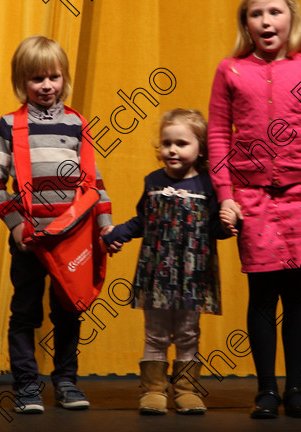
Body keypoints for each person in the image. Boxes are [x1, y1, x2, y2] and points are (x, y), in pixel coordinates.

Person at [208, 0, 301, 419]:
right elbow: (216, 136)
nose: (266, 22)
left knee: (298, 294)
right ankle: (267, 390)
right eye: (256, 14)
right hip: (251, 201)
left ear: (291, 17)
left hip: (299, 199)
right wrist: (226, 196)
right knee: (262, 295)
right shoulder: (229, 70)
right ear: (245, 23)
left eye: (274, 12)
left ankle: (298, 389)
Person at [0, 35, 113, 414]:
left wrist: (104, 224)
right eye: (36, 79)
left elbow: (94, 181)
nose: (46, 86)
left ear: (65, 78)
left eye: (53, 77)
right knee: (25, 310)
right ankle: (26, 386)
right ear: (21, 82)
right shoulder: (10, 125)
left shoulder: (77, 124)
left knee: (69, 310)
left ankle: (67, 382)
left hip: (71, 238)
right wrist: (14, 225)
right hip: (30, 239)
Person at [103, 108, 235, 415]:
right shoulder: (152, 181)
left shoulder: (208, 186)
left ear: (201, 148)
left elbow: (213, 228)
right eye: (166, 143)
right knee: (156, 334)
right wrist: (117, 233)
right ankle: (153, 390)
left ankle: (187, 389)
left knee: (188, 334)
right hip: (156, 274)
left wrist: (227, 226)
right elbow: (142, 221)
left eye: (181, 143)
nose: (172, 149)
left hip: (194, 274)